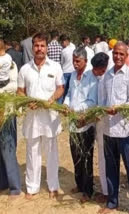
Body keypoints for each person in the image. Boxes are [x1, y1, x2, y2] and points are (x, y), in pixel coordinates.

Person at [17, 32, 64, 199]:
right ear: (32, 47)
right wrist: (26, 101)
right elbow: (20, 92)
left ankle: (53, 186)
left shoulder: (55, 67)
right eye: (36, 45)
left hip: (50, 117)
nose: (39, 49)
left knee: (51, 152)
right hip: (32, 117)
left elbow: (60, 88)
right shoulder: (24, 69)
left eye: (42, 45)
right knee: (32, 152)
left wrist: (53, 99)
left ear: (47, 48)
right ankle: (32, 187)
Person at [98, 42, 129, 214]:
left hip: (125, 130)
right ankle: (112, 202)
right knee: (111, 168)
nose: (118, 57)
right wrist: (102, 110)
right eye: (116, 53)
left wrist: (118, 108)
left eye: (121, 54)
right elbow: (101, 101)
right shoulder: (106, 76)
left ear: (127, 56)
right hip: (108, 130)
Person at [64, 47, 98, 203]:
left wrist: (78, 111)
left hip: (85, 123)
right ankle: (79, 184)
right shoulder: (72, 75)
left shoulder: (91, 77)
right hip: (72, 122)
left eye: (78, 61)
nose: (75, 63)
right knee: (75, 155)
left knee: (86, 157)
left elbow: (92, 101)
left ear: (85, 61)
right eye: (73, 60)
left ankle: (88, 190)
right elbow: (70, 94)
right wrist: (65, 105)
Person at [0, 40, 21, 199]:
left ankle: (14, 187)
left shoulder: (10, 64)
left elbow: (13, 87)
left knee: (7, 146)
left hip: (6, 109)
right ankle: (3, 182)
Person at [91, 52, 109, 203]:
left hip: (105, 123)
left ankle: (107, 192)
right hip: (98, 121)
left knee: (104, 157)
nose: (93, 71)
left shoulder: (106, 80)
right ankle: (105, 189)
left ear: (102, 69)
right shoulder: (98, 79)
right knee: (101, 157)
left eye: (95, 69)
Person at [58, 34, 76, 104]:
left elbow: (62, 62)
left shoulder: (63, 51)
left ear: (66, 41)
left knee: (62, 90)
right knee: (71, 90)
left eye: (62, 42)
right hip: (73, 72)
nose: (62, 44)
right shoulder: (74, 48)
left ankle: (60, 104)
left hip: (65, 72)